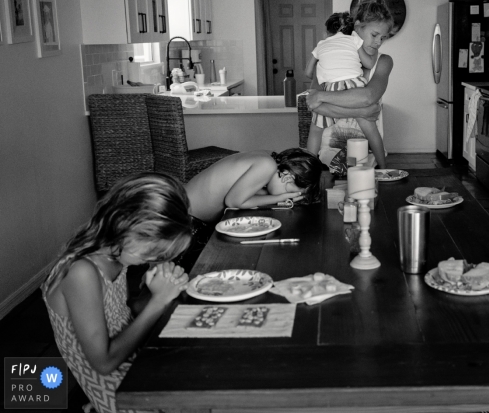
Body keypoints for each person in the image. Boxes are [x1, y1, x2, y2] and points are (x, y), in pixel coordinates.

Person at [41, 172, 193, 413]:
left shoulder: (116, 255)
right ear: (125, 222)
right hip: (114, 387)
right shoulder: (81, 271)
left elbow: (122, 312)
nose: (152, 259)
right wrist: (159, 302)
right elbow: (103, 363)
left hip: (134, 361)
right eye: (152, 251)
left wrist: (158, 291)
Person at [304, 0, 394, 171]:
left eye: (383, 38)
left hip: (368, 162)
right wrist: (363, 112)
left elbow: (367, 98)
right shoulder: (330, 58)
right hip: (326, 162)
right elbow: (312, 102)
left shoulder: (383, 62)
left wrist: (323, 97)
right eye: (374, 35)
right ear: (358, 27)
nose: (378, 42)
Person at [185, 148, 323, 223]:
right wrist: (280, 197)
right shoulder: (266, 166)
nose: (288, 197)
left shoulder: (269, 157)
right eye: (291, 192)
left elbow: (244, 194)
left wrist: (278, 196)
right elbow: (234, 201)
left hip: (185, 206)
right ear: (287, 177)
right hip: (184, 216)